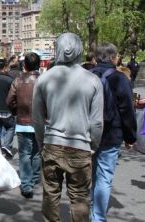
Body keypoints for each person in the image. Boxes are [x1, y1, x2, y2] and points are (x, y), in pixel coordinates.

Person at [32, 32, 104, 222]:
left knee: (51, 194)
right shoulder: (92, 80)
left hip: (52, 144)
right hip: (80, 145)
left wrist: (41, 145)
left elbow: (38, 119)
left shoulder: (44, 79)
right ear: (80, 50)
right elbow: (97, 122)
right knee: (80, 197)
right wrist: (93, 146)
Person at [90, 43, 137, 222]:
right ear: (112, 57)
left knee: (93, 175)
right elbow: (127, 109)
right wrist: (130, 137)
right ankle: (98, 217)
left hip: (89, 133)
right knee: (104, 177)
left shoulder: (88, 75)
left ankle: (92, 211)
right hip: (112, 133)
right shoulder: (119, 78)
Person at [6, 52, 41, 199]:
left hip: (23, 122)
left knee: (25, 154)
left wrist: (17, 111)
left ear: (24, 65)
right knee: (37, 153)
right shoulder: (43, 80)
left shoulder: (18, 81)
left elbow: (9, 101)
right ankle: (33, 178)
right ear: (38, 65)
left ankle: (26, 185)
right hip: (41, 123)